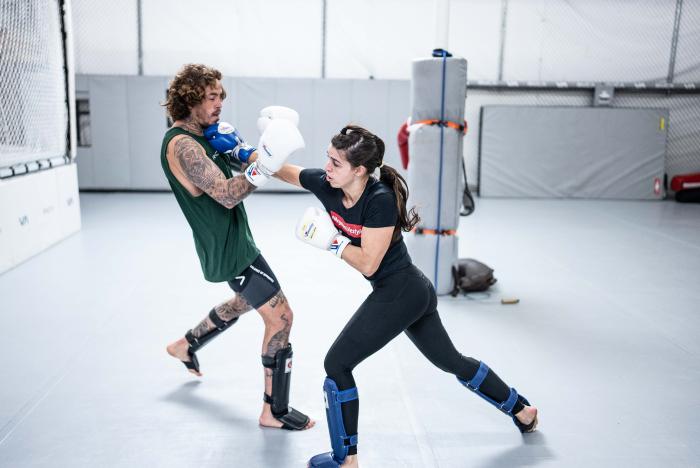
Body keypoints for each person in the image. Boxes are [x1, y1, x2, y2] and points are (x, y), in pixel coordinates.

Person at [272, 125, 538, 467]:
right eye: (328, 158)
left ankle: (346, 460)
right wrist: (245, 155)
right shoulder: (328, 184)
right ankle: (523, 410)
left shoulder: (379, 199)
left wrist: (332, 242)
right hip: (408, 292)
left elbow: (369, 263)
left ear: (360, 170)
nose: (327, 167)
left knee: (337, 363)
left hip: (402, 292)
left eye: (335, 162)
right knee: (451, 362)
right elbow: (287, 171)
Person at [159, 63, 314, 431]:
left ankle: (185, 345)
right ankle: (273, 410)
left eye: (221, 96)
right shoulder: (183, 145)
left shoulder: (205, 136)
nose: (219, 103)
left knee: (243, 301)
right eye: (211, 97)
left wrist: (247, 154)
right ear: (190, 99)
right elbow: (228, 195)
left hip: (232, 241)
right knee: (282, 317)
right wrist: (263, 165)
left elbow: (250, 164)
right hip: (230, 249)